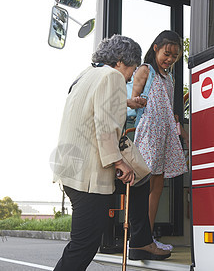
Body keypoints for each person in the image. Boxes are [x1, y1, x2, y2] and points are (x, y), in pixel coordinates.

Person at [52, 34, 171, 271]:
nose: (131, 75)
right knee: (83, 246)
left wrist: (126, 103)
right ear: (120, 61)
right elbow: (104, 123)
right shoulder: (113, 76)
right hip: (89, 174)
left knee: (141, 179)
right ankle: (140, 241)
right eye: (133, 68)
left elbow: (93, 106)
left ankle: (140, 241)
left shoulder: (86, 75)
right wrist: (118, 161)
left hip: (71, 169)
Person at [132, 30, 189, 251]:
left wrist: (179, 129)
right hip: (148, 133)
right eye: (167, 53)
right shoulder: (145, 70)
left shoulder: (170, 77)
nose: (169, 59)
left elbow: (168, 108)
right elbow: (133, 102)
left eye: (174, 56)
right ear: (155, 48)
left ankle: (148, 236)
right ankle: (140, 238)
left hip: (164, 134)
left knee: (157, 186)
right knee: (144, 187)